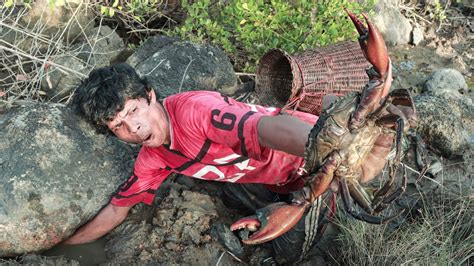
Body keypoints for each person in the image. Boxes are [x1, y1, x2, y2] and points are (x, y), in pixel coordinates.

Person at [64, 63, 393, 263]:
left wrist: (330, 149)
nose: (132, 128)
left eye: (133, 111)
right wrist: (62, 247)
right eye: (118, 126)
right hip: (268, 176)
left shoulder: (196, 112)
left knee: (290, 251)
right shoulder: (152, 156)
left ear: (149, 95)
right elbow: (118, 208)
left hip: (309, 163)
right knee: (225, 192)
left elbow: (265, 129)